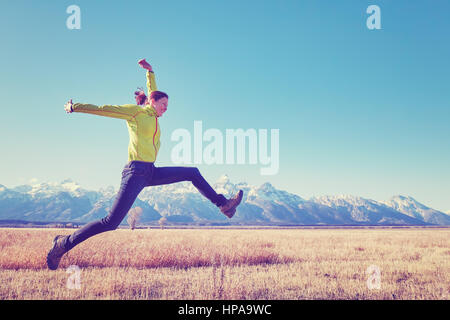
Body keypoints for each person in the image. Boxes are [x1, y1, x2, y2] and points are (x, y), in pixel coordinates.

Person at [47, 59, 243, 270]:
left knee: (192, 172)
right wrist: (75, 107)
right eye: (163, 105)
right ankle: (62, 244)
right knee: (110, 223)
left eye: (167, 106)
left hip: (150, 171)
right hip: (135, 172)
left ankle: (223, 205)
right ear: (153, 103)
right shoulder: (136, 113)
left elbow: (153, 92)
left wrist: (150, 73)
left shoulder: (154, 115)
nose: (165, 109)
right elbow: (105, 109)